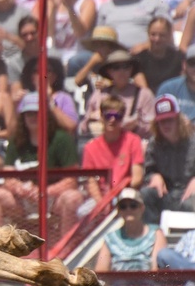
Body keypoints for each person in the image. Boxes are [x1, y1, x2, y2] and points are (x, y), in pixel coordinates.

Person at [0, 94, 82, 237]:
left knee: (73, 198)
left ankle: (66, 252)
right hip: (24, 199)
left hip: (53, 198)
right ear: (23, 117)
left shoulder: (62, 139)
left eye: (37, 113)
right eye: (28, 114)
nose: (33, 117)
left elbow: (72, 180)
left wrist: (45, 192)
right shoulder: (16, 140)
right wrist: (20, 189)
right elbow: (8, 177)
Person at [141, 94, 195, 222]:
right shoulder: (155, 143)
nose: (166, 125)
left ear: (178, 119)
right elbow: (149, 170)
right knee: (145, 194)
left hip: (189, 193)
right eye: (162, 121)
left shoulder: (193, 140)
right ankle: (154, 236)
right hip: (167, 192)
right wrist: (154, 176)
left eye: (170, 120)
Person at [82, 95, 146, 200]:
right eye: (108, 116)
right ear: (102, 117)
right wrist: (102, 204)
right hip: (99, 199)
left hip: (126, 196)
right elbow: (91, 182)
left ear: (122, 118)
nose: (112, 120)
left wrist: (120, 198)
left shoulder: (133, 141)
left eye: (117, 116)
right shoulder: (90, 148)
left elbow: (137, 178)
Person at [81, 50, 156, 139]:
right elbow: (83, 127)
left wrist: (137, 126)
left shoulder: (144, 94)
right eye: (116, 67)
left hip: (135, 145)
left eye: (126, 67)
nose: (121, 71)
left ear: (131, 69)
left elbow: (153, 128)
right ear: (109, 71)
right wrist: (92, 120)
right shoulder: (99, 95)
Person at [95, 187, 166, 271]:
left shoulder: (155, 233)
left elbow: (156, 270)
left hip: (147, 283)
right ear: (118, 211)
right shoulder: (110, 238)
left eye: (133, 205)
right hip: (118, 283)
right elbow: (101, 271)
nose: (128, 209)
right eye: (123, 206)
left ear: (142, 208)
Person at [48, 0, 97, 68]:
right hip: (57, 59)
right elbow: (49, 34)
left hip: (78, 59)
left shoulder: (87, 3)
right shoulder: (52, 3)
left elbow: (80, 32)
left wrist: (70, 8)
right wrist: (55, 8)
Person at [135, 17, 184, 94]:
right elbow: (143, 90)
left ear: (169, 35)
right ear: (148, 34)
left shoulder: (179, 57)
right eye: (153, 34)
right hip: (150, 100)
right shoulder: (138, 59)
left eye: (162, 35)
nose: (157, 39)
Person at [155, 44, 195, 119]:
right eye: (192, 63)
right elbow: (161, 121)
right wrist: (181, 125)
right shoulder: (168, 89)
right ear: (184, 65)